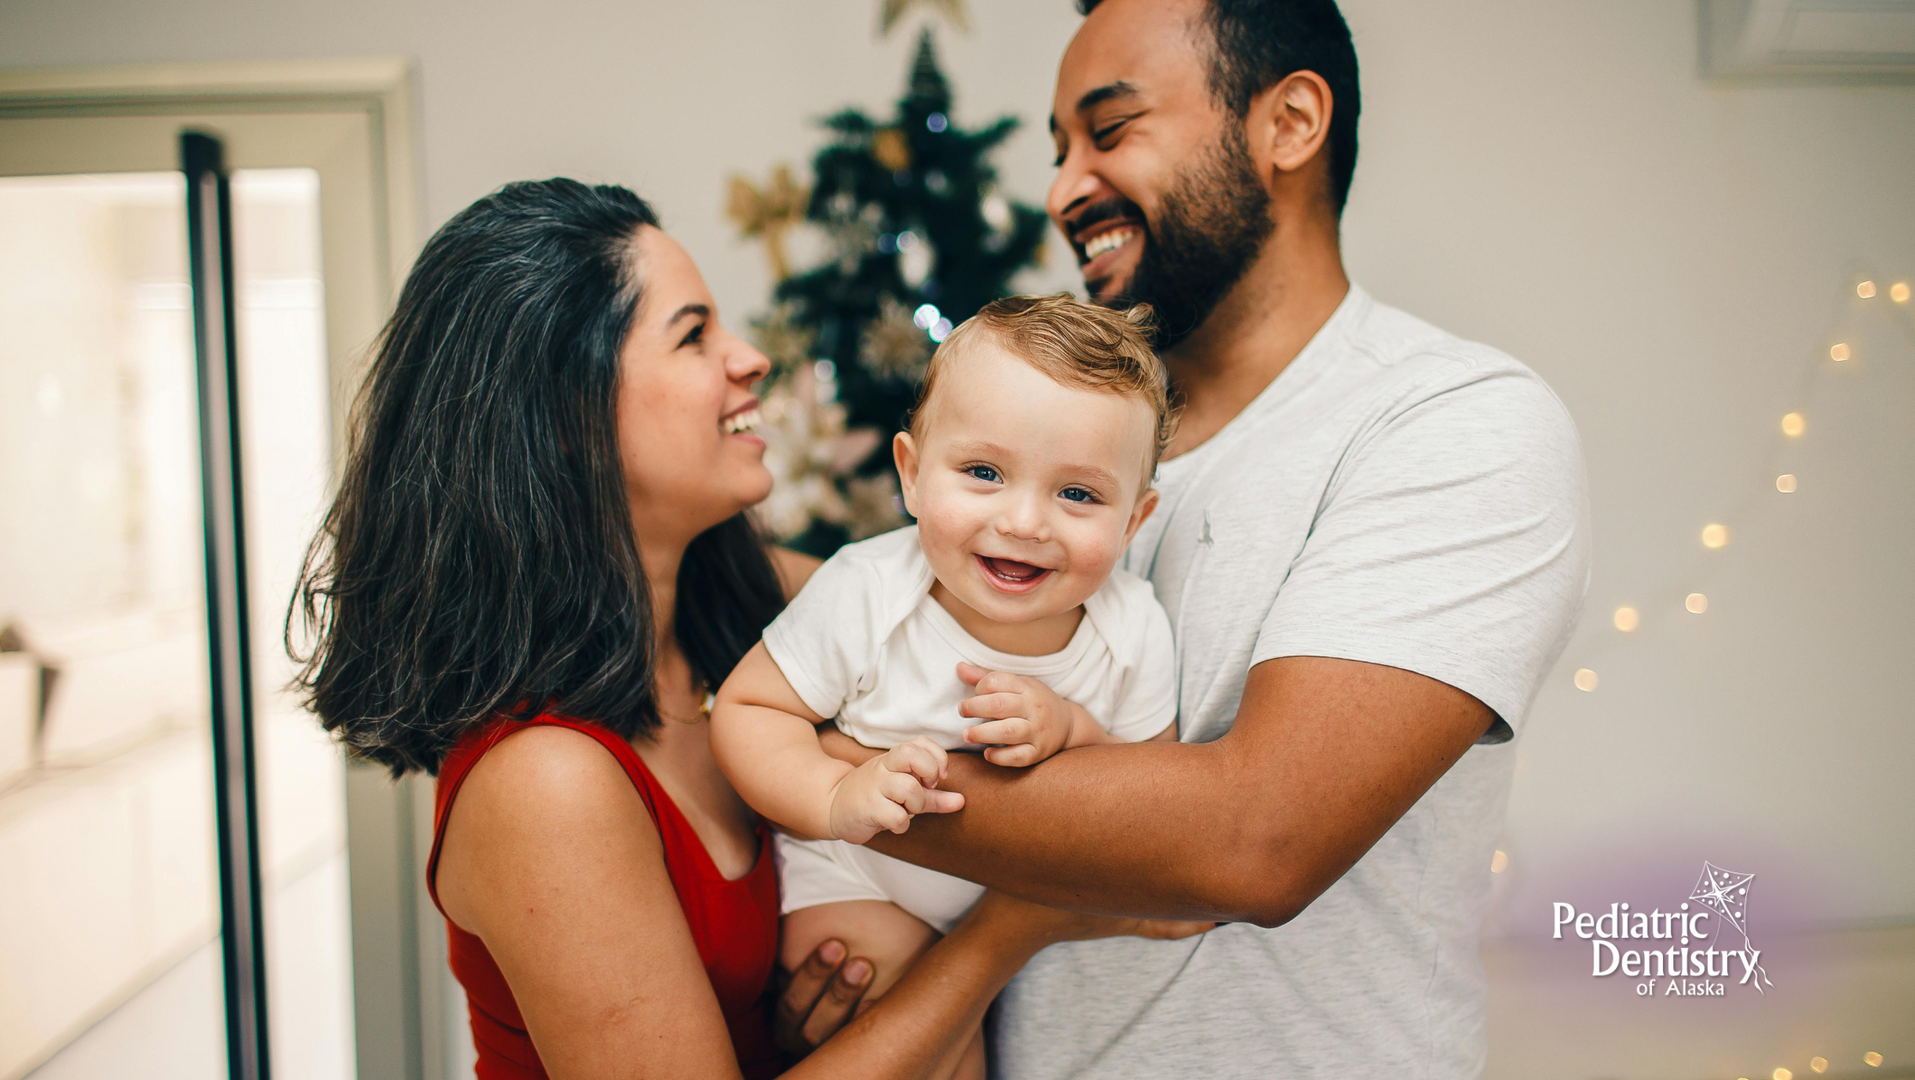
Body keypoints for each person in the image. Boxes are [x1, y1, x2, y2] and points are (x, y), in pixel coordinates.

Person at [811, 1, 1592, 1076]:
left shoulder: (1453, 420)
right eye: (1058, 150)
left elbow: (1254, 840)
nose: (1062, 189)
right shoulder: (1062, 454)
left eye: (1111, 130)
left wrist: (819, 761)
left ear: (1291, 122)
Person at [290, 178, 1208, 1080]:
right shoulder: (545, 782)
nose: (751, 358)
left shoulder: (749, 604)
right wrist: (1017, 923)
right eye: (693, 335)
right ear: (569, 415)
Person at [711, 296, 1183, 1080]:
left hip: (1001, 911)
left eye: (1078, 494)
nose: (1026, 520)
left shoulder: (1131, 628)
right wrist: (834, 794)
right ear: (912, 474)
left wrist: (1071, 729)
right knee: (933, 1036)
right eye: (984, 473)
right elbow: (751, 710)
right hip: (857, 883)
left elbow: (1156, 790)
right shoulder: (868, 588)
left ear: (1134, 522)